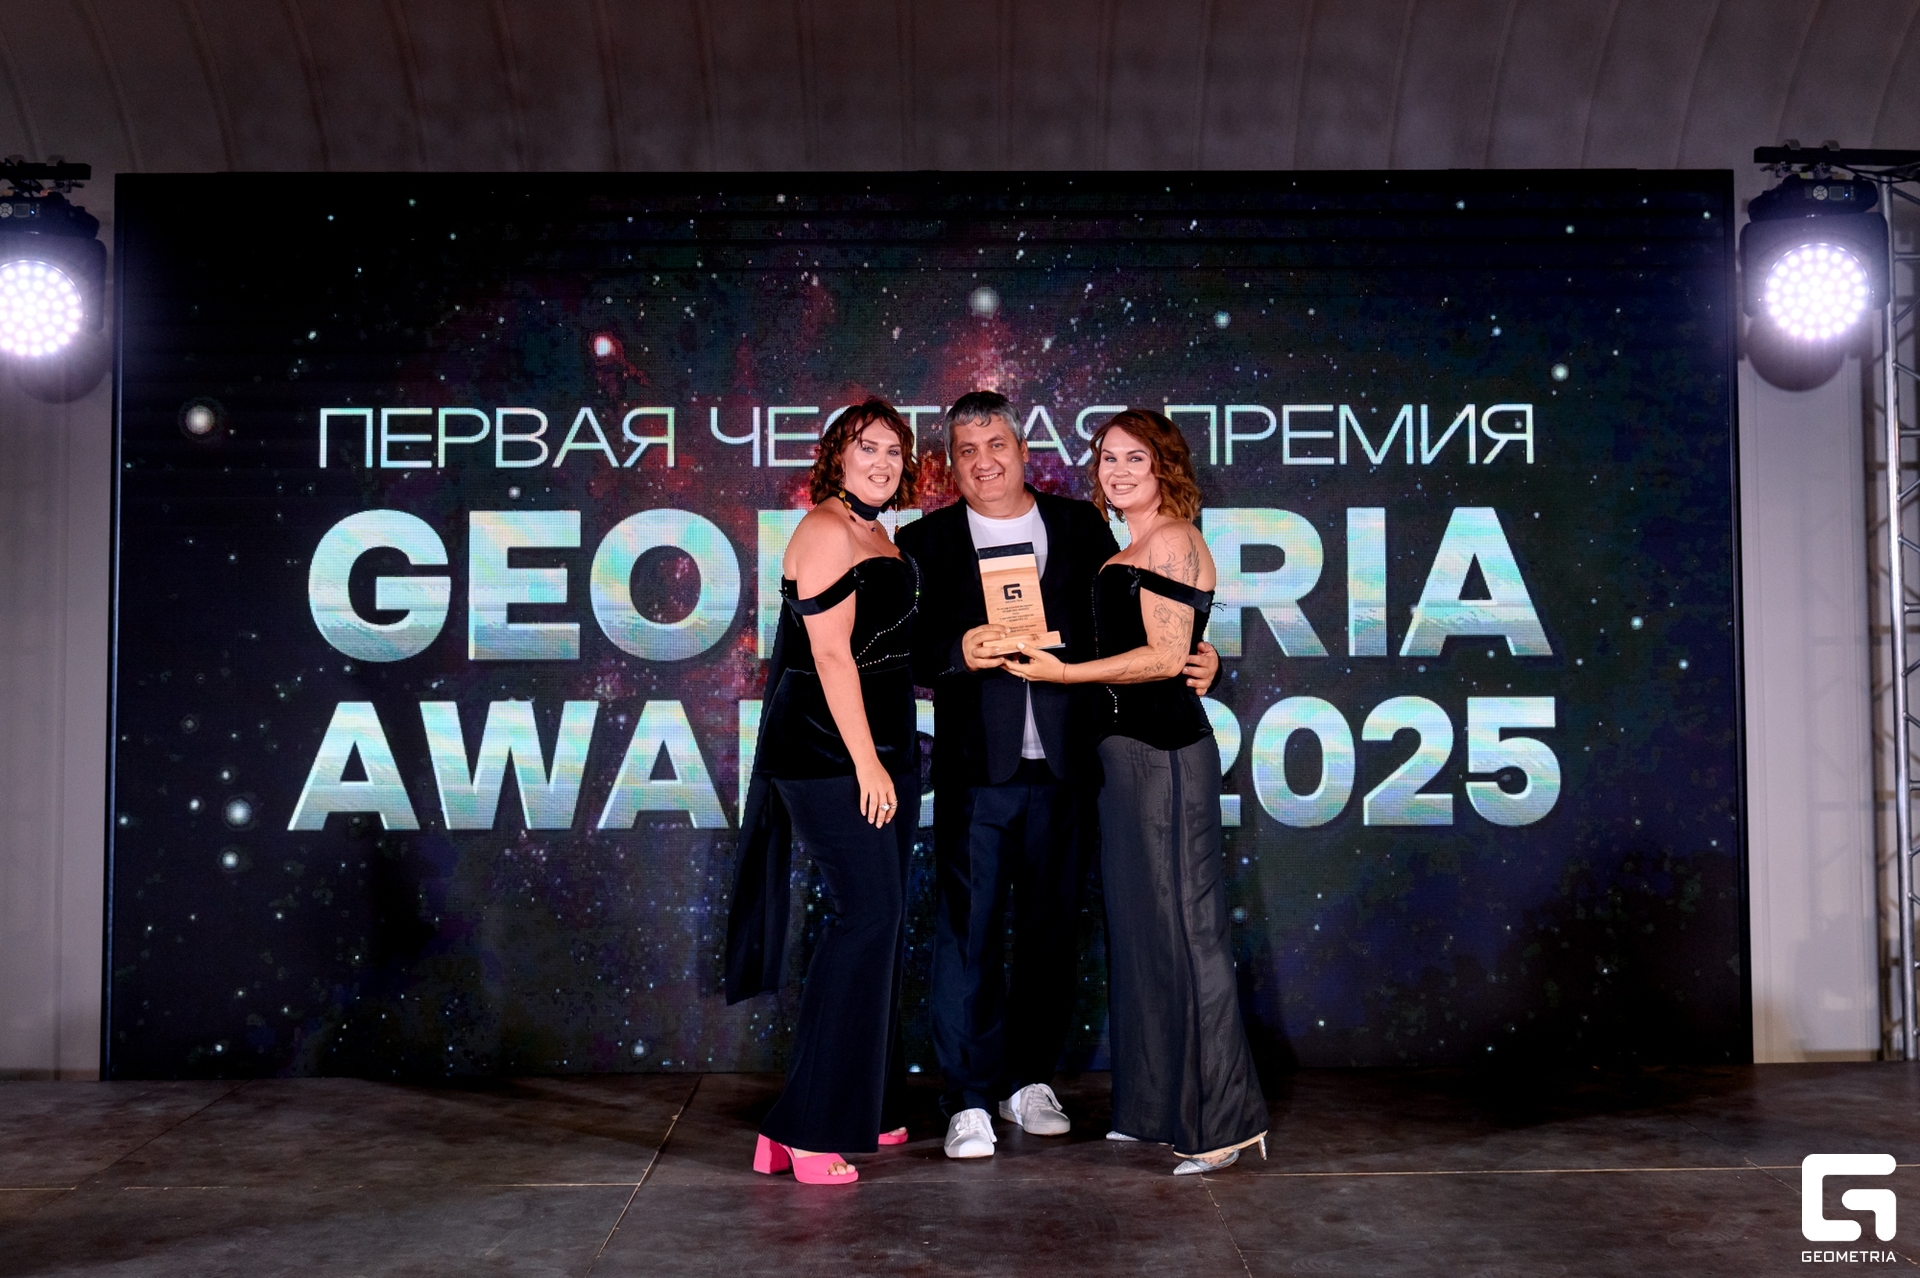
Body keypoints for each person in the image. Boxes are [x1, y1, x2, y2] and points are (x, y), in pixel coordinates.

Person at [896, 392, 1220, 1161]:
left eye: (996, 445)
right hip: (979, 769)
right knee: (968, 933)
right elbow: (900, 650)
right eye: (967, 450)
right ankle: (969, 1099)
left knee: (1051, 931)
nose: (984, 462)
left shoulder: (1080, 524)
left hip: (1075, 764)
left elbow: (1133, 623)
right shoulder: (924, 540)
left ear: (1022, 448)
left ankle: (1027, 1080)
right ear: (951, 462)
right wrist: (955, 652)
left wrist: (1198, 653)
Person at [1004, 408, 1268, 1176]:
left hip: (1165, 754)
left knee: (1187, 934)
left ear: (1165, 468)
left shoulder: (1176, 538)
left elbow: (1162, 657)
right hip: (1120, 763)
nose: (1117, 472)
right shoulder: (1129, 546)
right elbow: (1170, 644)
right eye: (1108, 459)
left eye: (1135, 459)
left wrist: (1064, 676)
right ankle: (1152, 1110)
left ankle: (1224, 1123)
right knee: (1142, 935)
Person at [723, 398, 921, 1186]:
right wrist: (868, 763)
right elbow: (833, 658)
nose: (882, 462)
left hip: (887, 748)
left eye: (894, 451)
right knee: (867, 917)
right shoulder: (826, 530)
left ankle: (857, 1107)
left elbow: (885, 649)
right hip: (828, 752)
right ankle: (803, 1130)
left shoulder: (881, 533)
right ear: (838, 454)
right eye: (867, 447)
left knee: (882, 923)